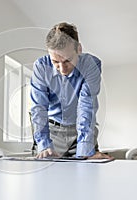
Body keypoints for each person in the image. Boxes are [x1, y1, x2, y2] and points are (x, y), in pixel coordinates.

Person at [30, 22, 111, 159]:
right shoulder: (41, 66)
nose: (62, 69)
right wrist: (44, 144)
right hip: (52, 131)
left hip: (81, 131)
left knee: (87, 172)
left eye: (67, 60)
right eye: (55, 62)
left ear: (79, 49)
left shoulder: (91, 64)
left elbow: (87, 105)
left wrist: (85, 147)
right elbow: (39, 108)